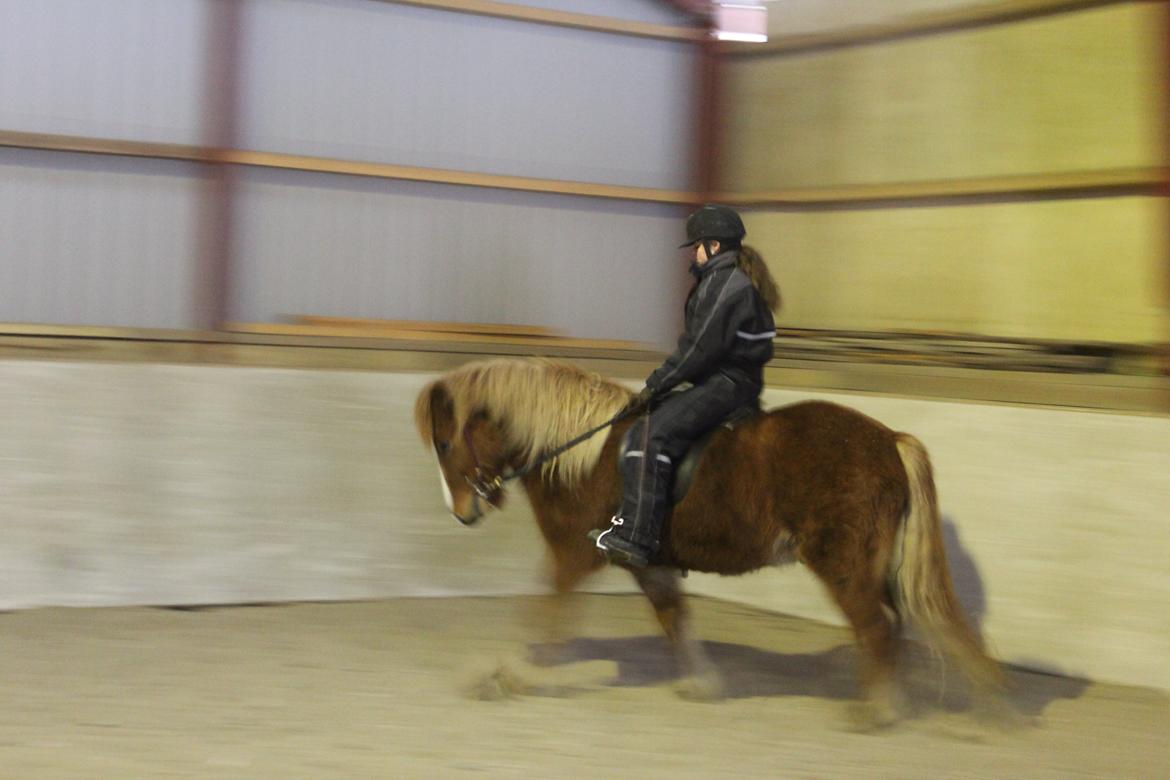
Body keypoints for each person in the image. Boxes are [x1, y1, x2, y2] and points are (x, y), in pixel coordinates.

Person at [589, 204, 781, 567]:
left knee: (650, 436)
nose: (692, 253)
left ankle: (636, 536)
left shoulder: (727, 285)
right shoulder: (724, 280)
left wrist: (655, 386)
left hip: (727, 384)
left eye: (696, 246)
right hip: (724, 380)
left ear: (713, 246)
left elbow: (698, 348)